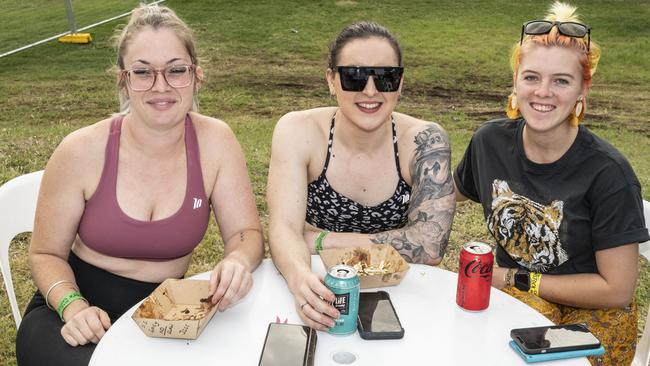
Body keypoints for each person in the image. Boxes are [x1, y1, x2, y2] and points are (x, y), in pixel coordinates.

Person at [15, 4, 263, 366]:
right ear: (123, 79)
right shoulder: (81, 150)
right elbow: (45, 254)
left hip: (167, 316)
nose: (160, 86)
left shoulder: (216, 142)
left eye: (176, 70)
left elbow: (245, 232)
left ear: (197, 76)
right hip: (74, 313)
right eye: (143, 72)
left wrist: (239, 260)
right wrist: (72, 306)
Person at [454, 2, 649, 365]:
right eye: (531, 77)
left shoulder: (610, 173)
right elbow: (444, 197)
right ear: (515, 81)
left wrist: (515, 278)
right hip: (520, 300)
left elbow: (617, 290)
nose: (543, 92)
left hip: (594, 313)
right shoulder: (488, 142)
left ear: (582, 90)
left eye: (561, 80)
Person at [267, 21, 455, 331]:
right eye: (354, 77)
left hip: (397, 291)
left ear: (401, 83)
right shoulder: (298, 131)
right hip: (313, 280)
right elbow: (283, 228)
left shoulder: (424, 141)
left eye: (386, 77)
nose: (370, 90)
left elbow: (430, 247)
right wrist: (300, 279)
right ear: (331, 80)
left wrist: (321, 239)